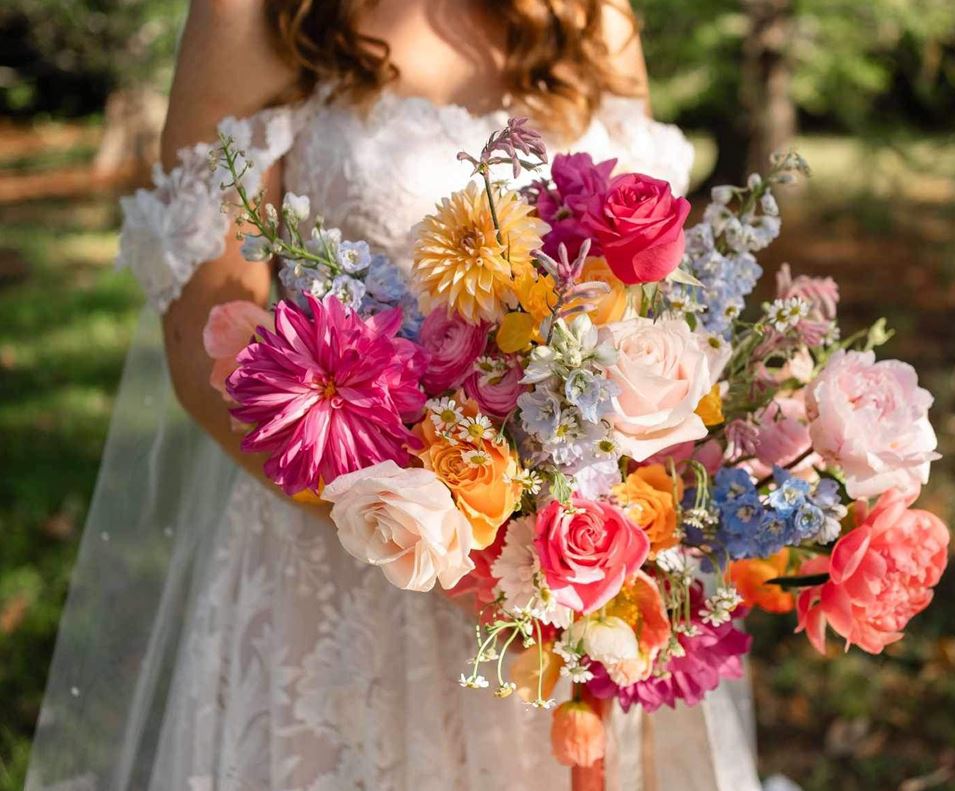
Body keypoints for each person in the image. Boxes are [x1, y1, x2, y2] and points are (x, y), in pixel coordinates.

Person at [25, 1, 761, 789]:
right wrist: (457, 553)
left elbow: (651, 284)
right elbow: (206, 341)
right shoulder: (257, 14)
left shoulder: (591, 16)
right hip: (344, 560)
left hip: (572, 582)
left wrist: (592, 544)